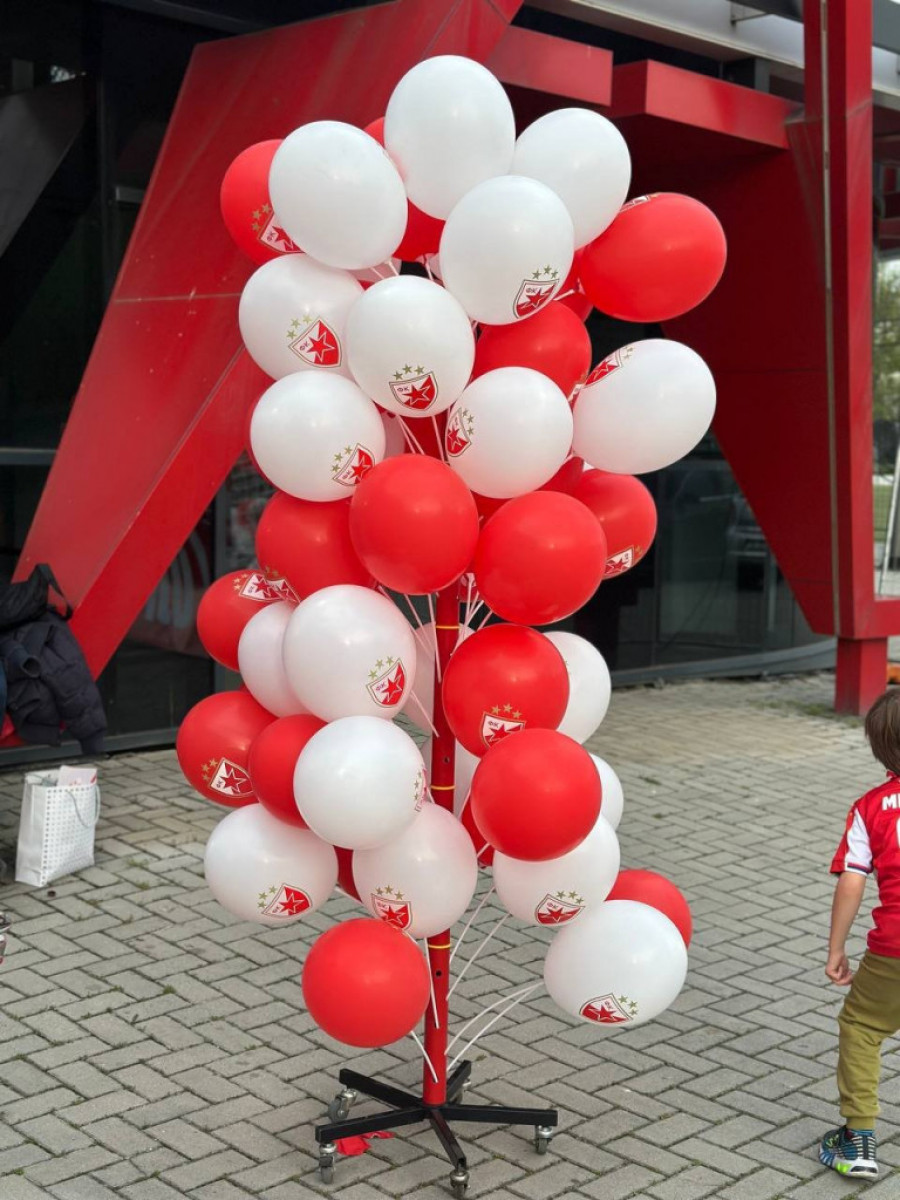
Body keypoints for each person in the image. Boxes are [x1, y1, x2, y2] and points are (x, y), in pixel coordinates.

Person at [820, 688, 900, 1179]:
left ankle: (859, 1141)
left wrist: (836, 948)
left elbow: (852, 881)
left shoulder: (870, 808)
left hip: (894, 949)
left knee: (863, 1027)